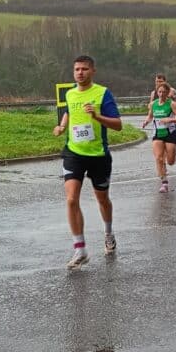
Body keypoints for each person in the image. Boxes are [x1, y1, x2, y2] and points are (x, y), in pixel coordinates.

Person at [53, 55, 122, 269]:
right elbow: (68, 112)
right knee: (71, 199)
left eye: (84, 69)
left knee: (102, 200)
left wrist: (97, 117)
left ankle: (108, 233)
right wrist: (62, 127)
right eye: (76, 69)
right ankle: (80, 249)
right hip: (74, 153)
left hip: (98, 155)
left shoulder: (102, 93)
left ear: (93, 71)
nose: (80, 73)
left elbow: (118, 125)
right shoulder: (70, 93)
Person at [141, 81, 176, 193]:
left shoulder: (172, 104)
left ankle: (173, 155)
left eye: (164, 92)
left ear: (167, 93)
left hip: (170, 133)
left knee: (170, 161)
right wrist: (146, 121)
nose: (161, 94)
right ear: (157, 92)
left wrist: (170, 119)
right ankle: (164, 183)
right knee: (159, 158)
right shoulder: (154, 104)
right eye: (159, 92)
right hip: (158, 134)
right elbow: (150, 116)